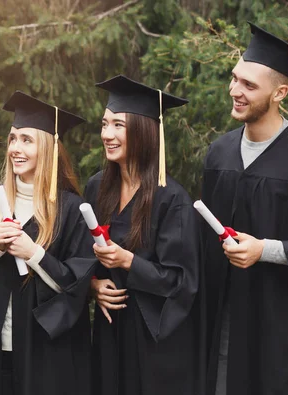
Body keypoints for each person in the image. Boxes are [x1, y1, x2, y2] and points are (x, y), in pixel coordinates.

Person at [202, 22, 288, 395]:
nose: (235, 90)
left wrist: (264, 250)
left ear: (281, 92)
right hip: (224, 326)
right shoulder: (219, 153)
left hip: (282, 332)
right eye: (235, 78)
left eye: (249, 85)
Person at [0, 91, 96, 395]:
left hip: (45, 353)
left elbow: (80, 284)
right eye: (12, 139)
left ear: (47, 148)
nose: (16, 149)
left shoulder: (70, 209)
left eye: (27, 140)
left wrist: (34, 253)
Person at [87, 75, 205, 395]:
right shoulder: (97, 187)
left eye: (118, 126)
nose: (107, 135)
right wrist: (93, 284)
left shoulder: (172, 199)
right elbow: (81, 256)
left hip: (154, 340)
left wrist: (128, 261)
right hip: (110, 332)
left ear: (143, 131)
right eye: (104, 124)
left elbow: (181, 282)